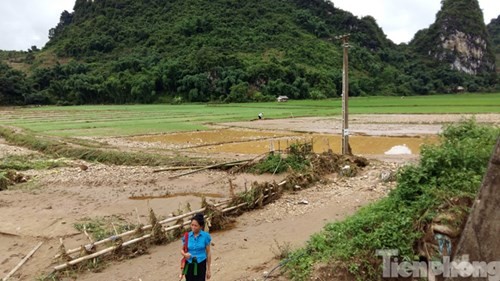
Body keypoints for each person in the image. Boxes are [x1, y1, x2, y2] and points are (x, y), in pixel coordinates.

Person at [180, 213, 212, 280]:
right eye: (192, 225)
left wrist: (208, 270)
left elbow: (208, 253)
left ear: (201, 226)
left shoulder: (205, 236)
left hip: (201, 264)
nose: (193, 227)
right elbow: (182, 250)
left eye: (196, 225)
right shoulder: (187, 236)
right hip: (189, 264)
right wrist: (185, 254)